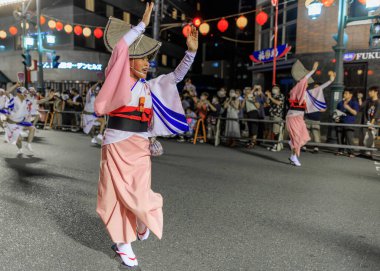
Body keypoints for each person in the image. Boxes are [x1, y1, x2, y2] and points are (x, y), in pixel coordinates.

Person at [94, 3, 197, 268]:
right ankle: (122, 243)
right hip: (116, 143)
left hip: (140, 145)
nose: (148, 63)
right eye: (143, 58)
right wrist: (141, 25)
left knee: (140, 193)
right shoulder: (118, 79)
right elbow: (119, 49)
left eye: (149, 59)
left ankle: (141, 220)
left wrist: (191, 54)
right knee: (115, 195)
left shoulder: (149, 86)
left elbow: (174, 77)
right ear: (128, 61)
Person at [286, 61, 319, 166]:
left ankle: (292, 155)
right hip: (292, 117)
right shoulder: (296, 89)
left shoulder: (304, 92)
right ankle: (295, 157)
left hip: (299, 118)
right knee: (296, 139)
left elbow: (319, 89)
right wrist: (313, 70)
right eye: (306, 82)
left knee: (303, 137)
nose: (307, 83)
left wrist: (330, 81)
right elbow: (303, 80)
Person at [304, 74, 335, 153]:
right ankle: (304, 146)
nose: (315, 89)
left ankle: (316, 147)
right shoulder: (309, 95)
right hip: (307, 117)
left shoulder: (322, 97)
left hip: (316, 118)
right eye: (314, 87)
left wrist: (318, 109)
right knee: (305, 133)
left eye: (317, 87)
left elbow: (324, 109)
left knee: (316, 133)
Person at [4, 85, 35, 154]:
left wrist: (48, 98)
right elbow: (7, 92)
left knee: (32, 128)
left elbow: (38, 101)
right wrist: (16, 85)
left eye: (26, 92)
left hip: (20, 122)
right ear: (18, 93)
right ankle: (20, 149)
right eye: (24, 92)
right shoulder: (13, 99)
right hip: (11, 124)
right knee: (19, 139)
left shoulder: (26, 100)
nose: (26, 94)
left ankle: (28, 144)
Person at [335, 89, 360, 157]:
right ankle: (340, 151)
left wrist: (348, 107)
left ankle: (351, 152)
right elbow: (337, 112)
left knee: (349, 138)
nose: (344, 95)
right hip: (340, 122)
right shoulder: (340, 103)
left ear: (351, 95)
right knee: (340, 137)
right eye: (344, 93)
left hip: (349, 123)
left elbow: (355, 113)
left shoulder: (354, 102)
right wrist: (336, 118)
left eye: (346, 93)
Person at [362, 86, 380, 157]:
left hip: (373, 123)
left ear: (376, 92)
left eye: (371, 91)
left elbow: (376, 114)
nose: (369, 93)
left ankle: (370, 153)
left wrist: (371, 124)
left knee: (370, 137)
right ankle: (367, 152)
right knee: (365, 138)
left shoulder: (378, 102)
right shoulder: (368, 101)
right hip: (367, 121)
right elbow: (362, 108)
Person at [266, 85, 285, 152]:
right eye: (273, 88)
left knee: (276, 131)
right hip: (271, 115)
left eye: (276, 88)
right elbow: (267, 104)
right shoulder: (273, 96)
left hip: (277, 115)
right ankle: (274, 144)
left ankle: (277, 145)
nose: (274, 89)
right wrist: (268, 97)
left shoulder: (281, 95)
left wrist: (270, 97)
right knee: (272, 131)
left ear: (279, 89)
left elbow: (278, 102)